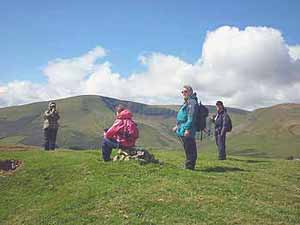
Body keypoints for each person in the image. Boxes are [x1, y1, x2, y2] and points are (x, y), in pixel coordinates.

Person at [173, 85, 198, 170]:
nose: (183, 93)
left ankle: (190, 166)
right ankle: (188, 165)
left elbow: (191, 117)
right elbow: (184, 115)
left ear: (190, 92)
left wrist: (187, 129)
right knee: (187, 147)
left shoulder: (192, 102)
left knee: (190, 147)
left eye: (185, 91)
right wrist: (177, 126)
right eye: (182, 92)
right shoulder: (187, 101)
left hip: (187, 129)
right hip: (182, 127)